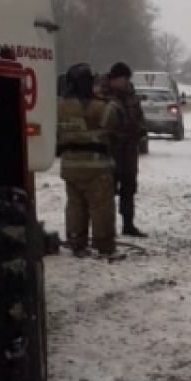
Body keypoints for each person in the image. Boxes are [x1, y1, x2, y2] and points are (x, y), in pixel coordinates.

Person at [56, 63, 121, 257]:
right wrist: (106, 96)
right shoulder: (100, 107)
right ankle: (104, 245)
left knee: (75, 206)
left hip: (70, 166)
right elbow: (116, 119)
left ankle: (77, 242)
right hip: (96, 167)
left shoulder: (60, 106)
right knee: (101, 208)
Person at [104, 61, 148, 237]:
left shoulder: (131, 96)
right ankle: (106, 227)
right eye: (123, 79)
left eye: (127, 79)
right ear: (115, 79)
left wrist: (141, 129)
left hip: (129, 150)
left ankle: (128, 224)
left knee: (128, 188)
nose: (125, 83)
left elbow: (139, 116)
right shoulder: (104, 96)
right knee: (107, 190)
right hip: (111, 151)